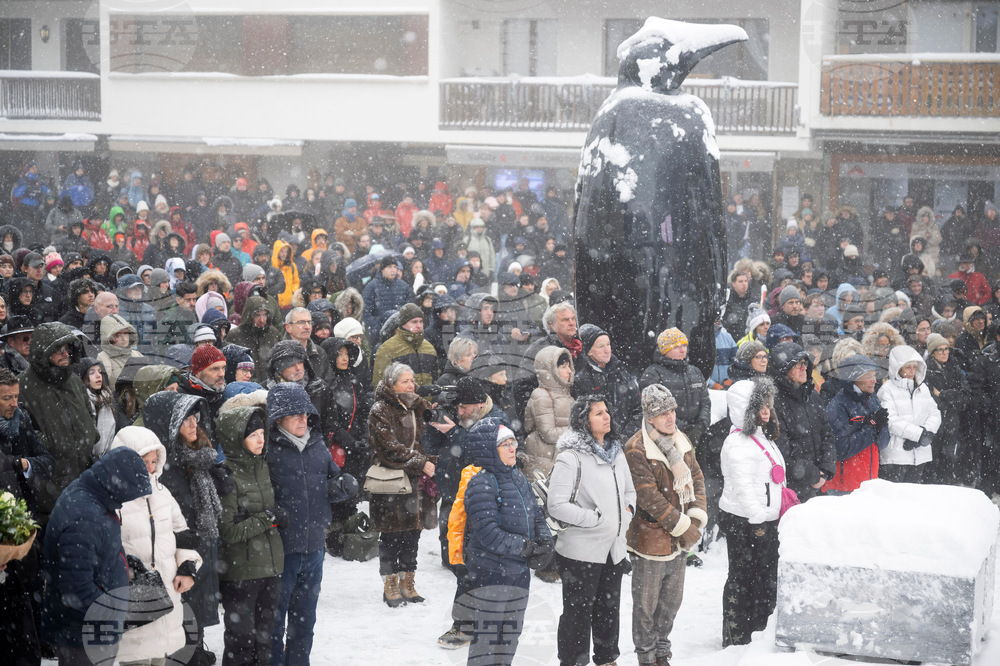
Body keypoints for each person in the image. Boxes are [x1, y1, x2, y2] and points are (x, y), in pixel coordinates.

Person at [267, 383, 355, 666]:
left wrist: (343, 486)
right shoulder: (268, 451)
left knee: (304, 622)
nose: (303, 419)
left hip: (315, 546)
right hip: (281, 551)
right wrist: (273, 514)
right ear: (278, 418)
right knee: (274, 623)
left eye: (306, 413)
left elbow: (332, 481)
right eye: (295, 415)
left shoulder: (318, 446)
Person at [41, 447, 150, 666]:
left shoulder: (92, 496)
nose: (127, 501)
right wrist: (114, 611)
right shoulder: (84, 516)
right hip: (83, 636)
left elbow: (95, 553)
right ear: (116, 483)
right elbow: (77, 589)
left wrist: (123, 564)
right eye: (129, 493)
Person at [547, 396, 635, 666]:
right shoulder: (570, 457)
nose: (606, 416)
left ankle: (607, 659)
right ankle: (573, 661)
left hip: (613, 549)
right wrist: (595, 519)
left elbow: (629, 491)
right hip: (580, 552)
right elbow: (557, 505)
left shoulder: (616, 452)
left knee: (609, 610)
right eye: (598, 413)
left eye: (607, 411)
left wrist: (627, 513)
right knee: (578, 614)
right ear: (584, 420)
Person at [624, 384, 707, 666]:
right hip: (651, 538)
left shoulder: (680, 439)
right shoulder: (636, 448)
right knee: (646, 607)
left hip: (679, 537)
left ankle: (662, 653)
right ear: (649, 418)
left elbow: (697, 477)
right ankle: (646, 658)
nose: (671, 417)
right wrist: (684, 526)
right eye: (663, 413)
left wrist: (696, 518)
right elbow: (649, 498)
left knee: (671, 603)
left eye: (672, 410)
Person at [142, 390, 225, 665]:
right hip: (177, 565)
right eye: (185, 419)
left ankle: (196, 647)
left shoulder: (199, 460)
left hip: (197, 557)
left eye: (195, 417)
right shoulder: (163, 474)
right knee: (181, 626)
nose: (194, 424)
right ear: (168, 424)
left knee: (194, 620)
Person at [460, 420, 553, 665]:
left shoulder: (518, 477)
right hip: (492, 572)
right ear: (489, 449)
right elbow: (488, 533)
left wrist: (544, 541)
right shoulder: (481, 483)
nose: (513, 449)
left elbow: (535, 514)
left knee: (510, 635)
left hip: (518, 571)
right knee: (487, 638)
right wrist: (525, 547)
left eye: (513, 443)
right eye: (505, 444)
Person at [112, 426, 203, 666]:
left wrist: (186, 567)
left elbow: (182, 533)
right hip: (135, 600)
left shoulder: (163, 494)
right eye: (144, 461)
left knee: (160, 659)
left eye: (154, 461)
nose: (151, 468)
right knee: (137, 660)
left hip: (167, 598)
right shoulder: (114, 499)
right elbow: (107, 548)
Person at [718, 377, 784, 647]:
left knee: (762, 578)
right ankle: (736, 635)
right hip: (744, 521)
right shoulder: (739, 443)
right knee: (742, 578)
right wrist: (758, 517)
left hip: (762, 519)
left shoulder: (759, 436)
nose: (766, 410)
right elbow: (743, 486)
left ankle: (757, 629)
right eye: (759, 406)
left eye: (768, 404)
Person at [367, 362, 438, 607]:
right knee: (390, 535)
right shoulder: (380, 409)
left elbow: (422, 439)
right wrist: (421, 463)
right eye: (405, 381)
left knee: (412, 534)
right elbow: (389, 447)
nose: (412, 385)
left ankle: (408, 581)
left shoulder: (415, 406)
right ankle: (390, 584)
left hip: (414, 479)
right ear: (391, 384)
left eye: (412, 380)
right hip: (390, 481)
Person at [18, 322, 99, 522]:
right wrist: (48, 444)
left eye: (67, 349)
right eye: (57, 349)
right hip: (49, 484)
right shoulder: (22, 386)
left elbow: (89, 411)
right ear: (42, 352)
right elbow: (18, 431)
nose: (65, 354)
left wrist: (90, 433)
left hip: (83, 473)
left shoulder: (72, 380)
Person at [768, 342, 837, 502]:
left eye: (804, 364)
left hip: (818, 484)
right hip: (791, 489)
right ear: (784, 371)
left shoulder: (812, 396)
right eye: (797, 365)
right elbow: (781, 451)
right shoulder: (774, 403)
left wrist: (825, 470)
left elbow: (827, 434)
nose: (804, 368)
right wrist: (812, 475)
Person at [823, 354, 890, 494]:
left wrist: (880, 428)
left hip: (870, 483)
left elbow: (883, 444)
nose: (874, 380)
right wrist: (871, 428)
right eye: (868, 376)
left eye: (874, 375)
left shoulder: (872, 399)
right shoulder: (837, 406)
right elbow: (841, 450)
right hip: (843, 487)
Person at [876, 346, 941, 484]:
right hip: (896, 454)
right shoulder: (887, 390)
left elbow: (934, 413)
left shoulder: (922, 388)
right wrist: (918, 435)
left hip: (920, 453)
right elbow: (891, 421)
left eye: (914, 367)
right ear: (898, 368)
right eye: (907, 367)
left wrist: (925, 432)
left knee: (914, 498)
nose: (912, 371)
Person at [639, 328, 712, 448]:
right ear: (665, 350)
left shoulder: (695, 371)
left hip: (699, 436)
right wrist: (680, 428)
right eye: (677, 346)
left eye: (684, 345)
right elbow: (653, 410)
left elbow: (705, 401)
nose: (683, 350)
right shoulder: (653, 374)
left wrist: (701, 425)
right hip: (666, 439)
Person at [573, 323, 642, 436]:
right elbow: (583, 420)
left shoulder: (621, 371)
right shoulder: (581, 380)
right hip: (600, 443)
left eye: (608, 345)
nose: (607, 350)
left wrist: (626, 436)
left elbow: (638, 408)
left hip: (627, 439)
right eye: (601, 346)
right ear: (589, 352)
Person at [923, 334, 971, 485]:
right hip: (935, 422)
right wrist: (951, 398)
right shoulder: (926, 371)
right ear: (932, 352)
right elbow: (930, 399)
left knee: (950, 458)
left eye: (946, 349)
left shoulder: (954, 367)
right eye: (940, 350)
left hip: (953, 421)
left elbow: (966, 394)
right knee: (933, 459)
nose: (945, 353)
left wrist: (943, 394)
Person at [523, 346, 575, 483]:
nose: (569, 371)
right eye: (563, 367)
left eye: (569, 366)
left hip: (558, 458)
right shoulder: (541, 395)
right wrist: (578, 430)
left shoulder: (565, 394)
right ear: (550, 370)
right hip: (545, 461)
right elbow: (548, 433)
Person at [371, 302, 438, 387]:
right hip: (399, 400)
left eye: (421, 321)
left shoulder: (429, 348)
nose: (419, 325)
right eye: (414, 322)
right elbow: (379, 384)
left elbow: (435, 379)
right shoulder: (387, 348)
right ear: (403, 323)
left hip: (427, 400)